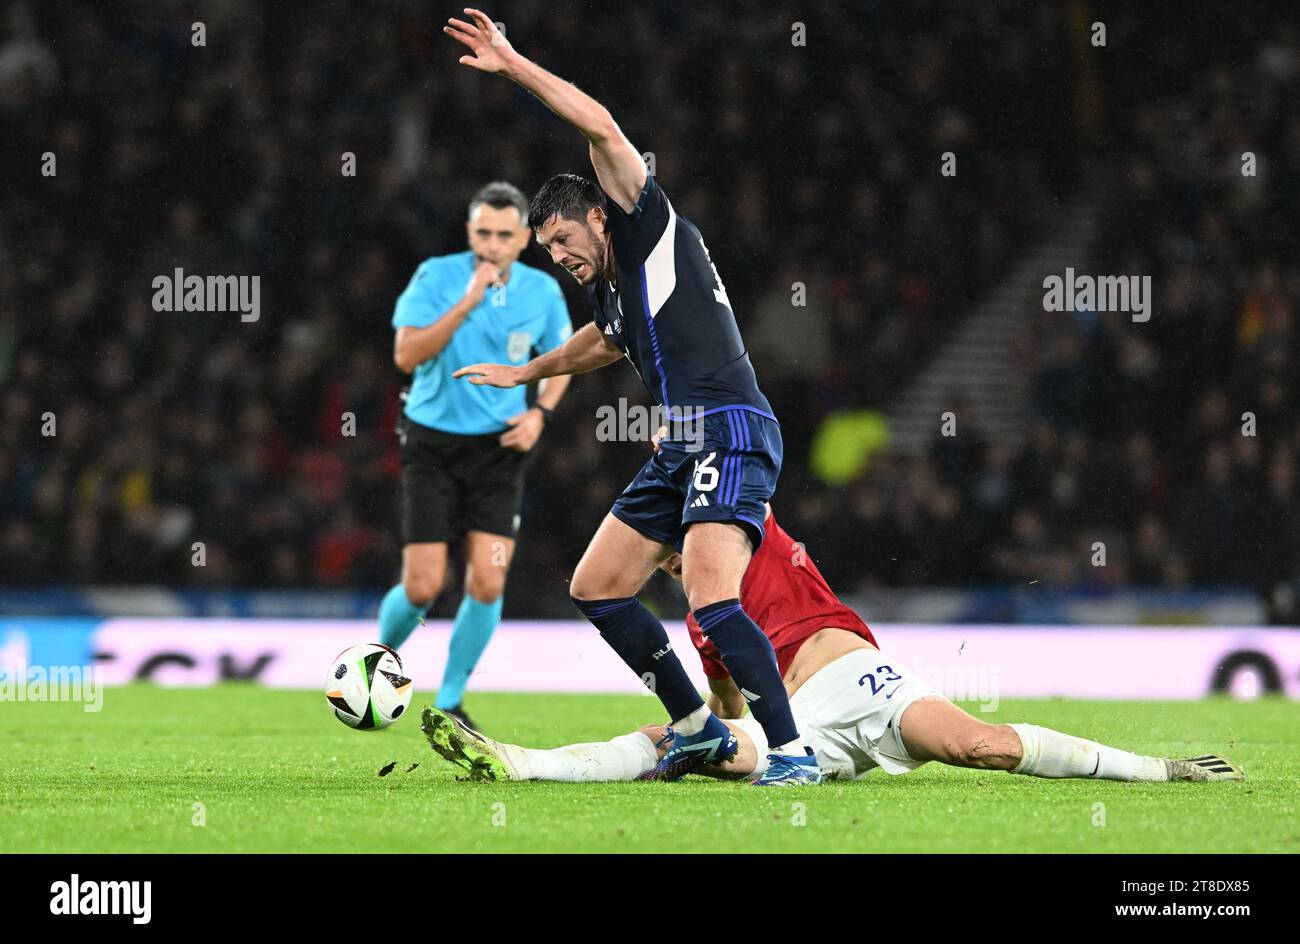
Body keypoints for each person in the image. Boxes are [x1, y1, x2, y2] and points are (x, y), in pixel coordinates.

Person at [443, 8, 818, 784]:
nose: (559, 258)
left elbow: (603, 126)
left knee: (712, 599)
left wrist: (513, 66)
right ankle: (697, 729)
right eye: (546, 254)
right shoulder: (614, 292)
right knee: (598, 586)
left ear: (596, 217)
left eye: (563, 241)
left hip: (729, 427)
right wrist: (525, 372)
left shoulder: (646, 228)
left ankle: (792, 753)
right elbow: (603, 342)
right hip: (684, 440)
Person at [420, 505, 1244, 786]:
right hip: (802, 734)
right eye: (671, 554)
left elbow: (729, 452)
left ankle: (1157, 768)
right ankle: (520, 763)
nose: (680, 557)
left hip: (865, 682)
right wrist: (705, 735)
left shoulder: (758, 529)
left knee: (982, 746)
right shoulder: (705, 619)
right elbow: (724, 707)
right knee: (676, 741)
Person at [379, 180, 573, 731]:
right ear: (469, 233)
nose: (491, 245)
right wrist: (468, 299)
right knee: (422, 585)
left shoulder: (541, 292)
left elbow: (564, 359)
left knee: (487, 580)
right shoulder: (437, 277)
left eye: (504, 235)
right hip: (431, 443)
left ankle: (451, 698)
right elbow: (405, 354)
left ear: (523, 240)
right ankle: (375, 661)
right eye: (482, 233)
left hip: (498, 449)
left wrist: (540, 415)